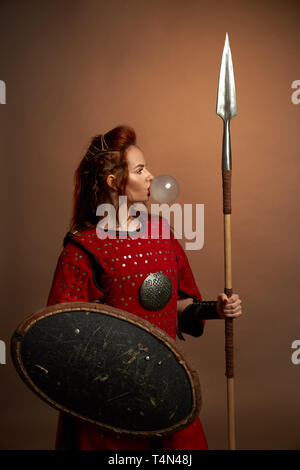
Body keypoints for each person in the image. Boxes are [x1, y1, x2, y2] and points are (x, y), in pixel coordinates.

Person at [47, 125, 242, 450]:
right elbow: (63, 338)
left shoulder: (162, 233)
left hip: (167, 388)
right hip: (108, 403)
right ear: (113, 181)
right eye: (140, 169)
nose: (151, 176)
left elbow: (175, 306)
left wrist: (217, 309)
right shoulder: (82, 250)